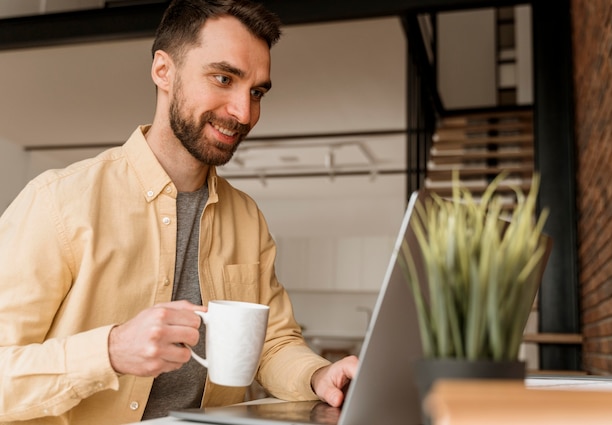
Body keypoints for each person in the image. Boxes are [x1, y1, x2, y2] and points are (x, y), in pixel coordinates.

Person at [0, 1, 358, 423]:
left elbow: (272, 344)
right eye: (223, 78)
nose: (244, 113)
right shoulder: (56, 202)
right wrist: (111, 352)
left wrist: (319, 375)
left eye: (256, 92)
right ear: (163, 71)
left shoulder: (246, 218)